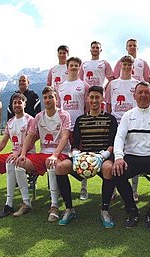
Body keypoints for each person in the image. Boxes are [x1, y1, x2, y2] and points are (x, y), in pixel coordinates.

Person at [112, 81, 150, 230]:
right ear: (134, 96)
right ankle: (132, 210)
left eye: (146, 93)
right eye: (140, 92)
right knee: (117, 173)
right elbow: (119, 138)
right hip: (132, 156)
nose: (143, 95)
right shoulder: (128, 115)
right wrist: (119, 157)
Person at [54, 85, 118, 226]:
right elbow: (75, 144)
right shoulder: (80, 120)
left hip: (103, 157)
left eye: (97, 97)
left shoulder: (110, 119)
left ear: (102, 99)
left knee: (108, 169)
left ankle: (105, 210)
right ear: (87, 99)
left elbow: (113, 144)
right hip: (83, 157)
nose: (94, 100)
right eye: (92, 97)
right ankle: (69, 209)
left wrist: (102, 156)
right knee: (60, 167)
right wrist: (77, 155)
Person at [15, 86, 71, 222]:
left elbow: (65, 137)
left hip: (61, 153)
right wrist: (22, 154)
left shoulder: (64, 115)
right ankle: (26, 203)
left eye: (51, 97)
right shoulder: (39, 117)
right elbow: (30, 135)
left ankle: (54, 206)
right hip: (44, 153)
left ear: (56, 99)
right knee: (19, 165)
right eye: (45, 97)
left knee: (51, 164)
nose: (47, 100)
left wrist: (54, 155)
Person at [0, 93, 34, 218]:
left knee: (11, 162)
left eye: (20, 102)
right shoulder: (10, 122)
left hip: (27, 155)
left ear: (24, 104)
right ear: (12, 105)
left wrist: (19, 153)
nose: (17, 105)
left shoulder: (30, 120)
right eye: (15, 103)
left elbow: (30, 141)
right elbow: (3, 141)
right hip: (13, 154)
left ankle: (9, 204)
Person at [106, 55, 140, 201]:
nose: (126, 67)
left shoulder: (137, 83)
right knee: (116, 155)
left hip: (133, 123)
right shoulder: (112, 84)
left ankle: (134, 190)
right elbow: (108, 104)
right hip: (117, 123)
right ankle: (113, 188)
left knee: (134, 154)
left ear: (133, 67)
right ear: (120, 65)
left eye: (129, 65)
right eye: (124, 64)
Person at [57, 56, 90, 200]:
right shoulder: (61, 86)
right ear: (67, 67)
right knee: (63, 156)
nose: (74, 68)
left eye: (77, 65)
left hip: (79, 126)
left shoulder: (84, 85)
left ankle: (83, 188)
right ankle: (59, 188)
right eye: (71, 65)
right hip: (65, 127)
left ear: (79, 68)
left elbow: (87, 107)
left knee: (80, 156)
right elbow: (59, 107)